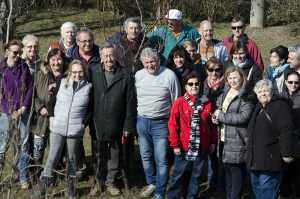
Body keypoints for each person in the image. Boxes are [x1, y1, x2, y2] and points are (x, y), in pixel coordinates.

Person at [32, 60, 92, 199]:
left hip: (75, 131)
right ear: (70, 72)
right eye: (75, 72)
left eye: (80, 72)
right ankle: (43, 188)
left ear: (84, 72)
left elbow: (90, 110)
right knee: (52, 157)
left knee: (71, 159)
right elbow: (51, 103)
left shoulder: (89, 87)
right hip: (57, 128)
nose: (77, 74)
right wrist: (52, 117)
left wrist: (83, 124)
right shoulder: (62, 83)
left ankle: (70, 189)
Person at [89, 44, 136, 196]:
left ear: (117, 56)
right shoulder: (93, 72)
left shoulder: (125, 75)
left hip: (117, 121)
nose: (109, 59)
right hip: (97, 121)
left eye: (111, 55)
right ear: (101, 57)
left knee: (115, 155)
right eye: (106, 56)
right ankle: (98, 182)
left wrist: (128, 126)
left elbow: (130, 103)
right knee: (98, 154)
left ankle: (110, 182)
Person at [136, 47, 181, 199]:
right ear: (142, 63)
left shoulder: (169, 75)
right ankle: (152, 183)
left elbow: (176, 101)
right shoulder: (139, 75)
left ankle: (160, 191)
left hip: (161, 123)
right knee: (145, 155)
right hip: (142, 121)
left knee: (161, 158)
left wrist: (174, 124)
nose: (150, 65)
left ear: (158, 61)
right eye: (147, 62)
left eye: (153, 61)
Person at [168, 71, 217, 199]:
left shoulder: (207, 102)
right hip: (184, 146)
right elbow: (173, 125)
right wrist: (175, 145)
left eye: (196, 84)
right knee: (179, 174)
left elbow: (212, 125)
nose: (194, 86)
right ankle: (172, 196)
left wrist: (213, 141)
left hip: (202, 145)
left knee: (196, 175)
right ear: (185, 86)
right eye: (190, 84)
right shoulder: (179, 102)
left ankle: (192, 196)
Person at [246, 79, 294, 199]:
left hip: (271, 159)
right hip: (255, 159)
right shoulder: (258, 106)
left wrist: (286, 153)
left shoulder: (279, 106)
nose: (263, 94)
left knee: (267, 193)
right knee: (258, 191)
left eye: (266, 91)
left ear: (272, 91)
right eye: (260, 92)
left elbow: (286, 129)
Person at [212, 66, 254, 199]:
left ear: (242, 77)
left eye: (235, 77)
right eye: (229, 78)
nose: (232, 80)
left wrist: (221, 116)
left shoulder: (247, 94)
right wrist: (215, 117)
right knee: (228, 172)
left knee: (236, 173)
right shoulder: (226, 91)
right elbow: (219, 107)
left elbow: (243, 117)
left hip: (238, 139)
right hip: (224, 138)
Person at [30, 49, 68, 180]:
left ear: (63, 60)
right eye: (53, 60)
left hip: (59, 119)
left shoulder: (68, 75)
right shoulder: (40, 75)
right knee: (38, 148)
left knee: (55, 149)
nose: (56, 63)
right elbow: (33, 96)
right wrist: (40, 108)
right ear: (49, 60)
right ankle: (35, 173)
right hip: (41, 118)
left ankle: (53, 174)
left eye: (59, 59)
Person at [0, 39, 33, 190]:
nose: (18, 55)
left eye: (20, 52)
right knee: (2, 146)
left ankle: (22, 176)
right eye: (15, 52)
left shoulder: (24, 67)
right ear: (7, 51)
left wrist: (23, 107)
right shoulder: (1, 69)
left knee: (22, 146)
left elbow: (30, 88)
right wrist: (8, 110)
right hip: (6, 113)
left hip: (22, 113)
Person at [201, 56, 226, 197]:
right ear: (206, 70)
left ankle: (222, 187)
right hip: (209, 124)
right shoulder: (204, 83)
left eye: (217, 70)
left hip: (222, 124)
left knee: (222, 157)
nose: (214, 73)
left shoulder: (226, 84)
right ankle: (212, 184)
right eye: (211, 69)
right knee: (211, 156)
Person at [279, 71, 300, 198]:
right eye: (290, 82)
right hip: (284, 137)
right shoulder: (280, 95)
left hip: (298, 137)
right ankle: (285, 193)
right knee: (284, 167)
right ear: (286, 82)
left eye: (297, 82)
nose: (293, 85)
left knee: (297, 169)